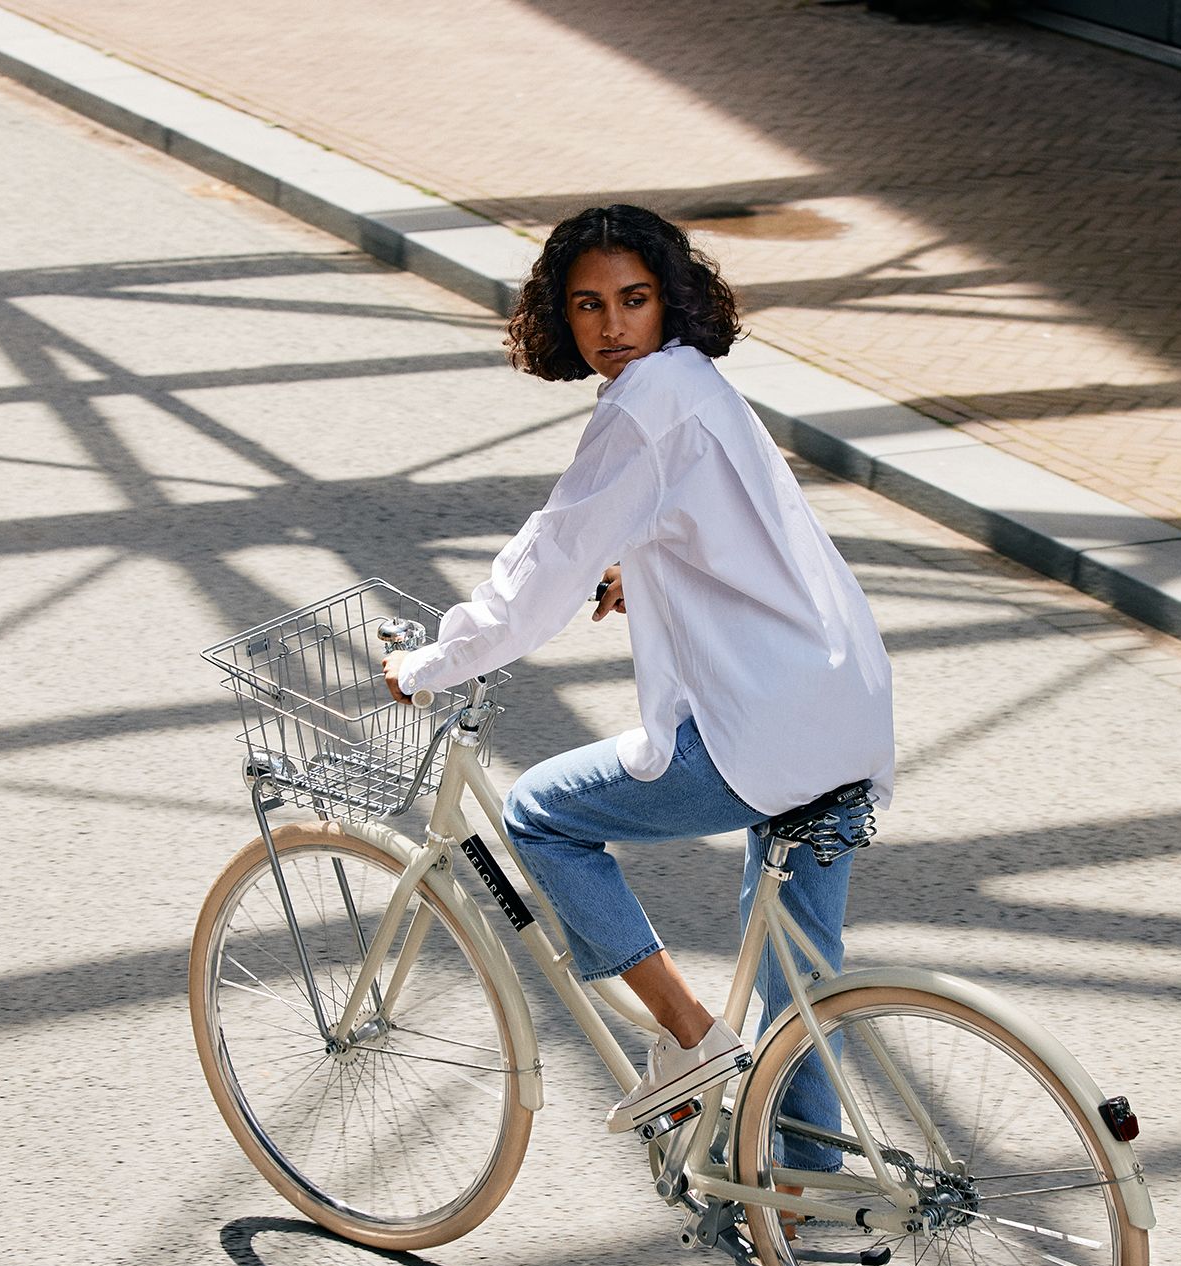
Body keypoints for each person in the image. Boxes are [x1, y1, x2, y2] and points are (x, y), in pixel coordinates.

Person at [383, 203, 894, 1156]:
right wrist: (640, 565)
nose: (613, 326)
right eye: (588, 305)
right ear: (560, 319)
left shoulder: (641, 405)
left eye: (634, 299)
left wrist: (432, 663)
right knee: (800, 983)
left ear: (670, 302)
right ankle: (811, 1190)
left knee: (540, 815)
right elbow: (717, 519)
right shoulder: (695, 383)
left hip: (766, 724)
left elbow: (541, 572)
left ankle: (691, 1037)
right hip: (845, 705)